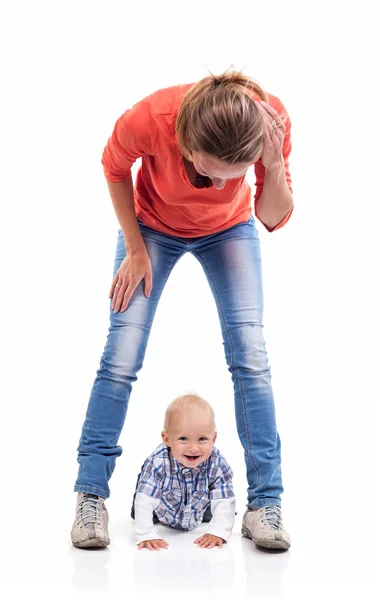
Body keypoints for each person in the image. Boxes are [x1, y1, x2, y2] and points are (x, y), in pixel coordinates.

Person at [71, 68, 294, 551]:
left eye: (230, 177)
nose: (215, 185)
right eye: (206, 173)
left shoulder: (268, 122)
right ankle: (90, 497)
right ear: (185, 145)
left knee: (252, 358)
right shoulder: (151, 117)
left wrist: (272, 166)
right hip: (153, 228)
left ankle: (265, 505)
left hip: (229, 231)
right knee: (121, 355)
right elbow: (114, 167)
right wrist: (135, 248)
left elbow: (272, 216)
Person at [130, 394, 235, 551]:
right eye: (184, 439)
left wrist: (219, 532)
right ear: (167, 439)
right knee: (141, 506)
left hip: (197, 505)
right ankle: (143, 505)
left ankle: (204, 510)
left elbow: (225, 500)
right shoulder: (158, 462)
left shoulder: (217, 463)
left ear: (213, 438)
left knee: (219, 510)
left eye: (202, 439)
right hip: (163, 506)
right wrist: (146, 534)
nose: (193, 448)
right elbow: (145, 501)